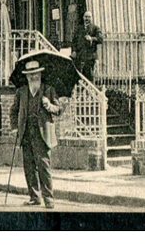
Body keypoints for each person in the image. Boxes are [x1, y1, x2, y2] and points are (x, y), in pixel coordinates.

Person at [10, 60, 61, 209]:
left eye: (35, 74)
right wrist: (14, 128)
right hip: (26, 133)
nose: (33, 77)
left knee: (44, 166)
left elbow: (59, 109)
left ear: (40, 74)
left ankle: (49, 199)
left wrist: (49, 105)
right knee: (29, 167)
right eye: (30, 75)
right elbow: (13, 111)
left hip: (42, 134)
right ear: (26, 77)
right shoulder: (21, 92)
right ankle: (34, 197)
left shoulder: (49, 90)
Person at [70, 11, 104, 81]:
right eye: (86, 17)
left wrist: (92, 38)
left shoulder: (95, 28)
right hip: (79, 56)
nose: (87, 18)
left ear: (91, 18)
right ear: (83, 18)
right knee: (78, 75)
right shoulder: (79, 28)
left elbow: (101, 39)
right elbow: (74, 41)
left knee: (88, 76)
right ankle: (80, 91)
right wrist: (73, 51)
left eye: (89, 17)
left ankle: (88, 91)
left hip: (90, 57)